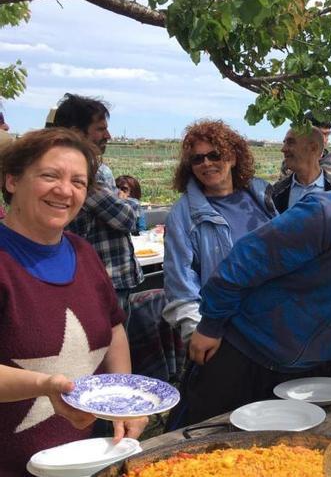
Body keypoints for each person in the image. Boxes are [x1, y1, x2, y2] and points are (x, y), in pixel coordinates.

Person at [174, 124, 331, 427]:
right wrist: (211, 324)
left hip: (313, 376)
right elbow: (247, 258)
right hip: (244, 353)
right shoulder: (329, 213)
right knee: (200, 450)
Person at [0, 128, 147, 474]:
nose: (65, 190)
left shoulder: (84, 253)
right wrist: (45, 385)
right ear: (11, 181)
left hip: (87, 458)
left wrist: (122, 397)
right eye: (49, 175)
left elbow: (113, 329)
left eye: (78, 182)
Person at [162, 120, 277, 341]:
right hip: (227, 332)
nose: (206, 163)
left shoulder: (262, 197)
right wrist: (199, 333)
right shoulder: (183, 215)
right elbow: (180, 285)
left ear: (232, 158)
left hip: (273, 324)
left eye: (214, 155)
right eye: (197, 159)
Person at [54, 93, 143, 314]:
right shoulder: (84, 171)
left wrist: (122, 201)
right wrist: (130, 201)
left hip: (104, 280)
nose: (108, 135)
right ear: (76, 132)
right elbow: (126, 218)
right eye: (100, 129)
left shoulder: (89, 168)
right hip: (102, 282)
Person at [272, 125, 331, 213]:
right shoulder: (276, 192)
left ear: (313, 148)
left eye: (290, 142)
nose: (283, 149)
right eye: (284, 143)